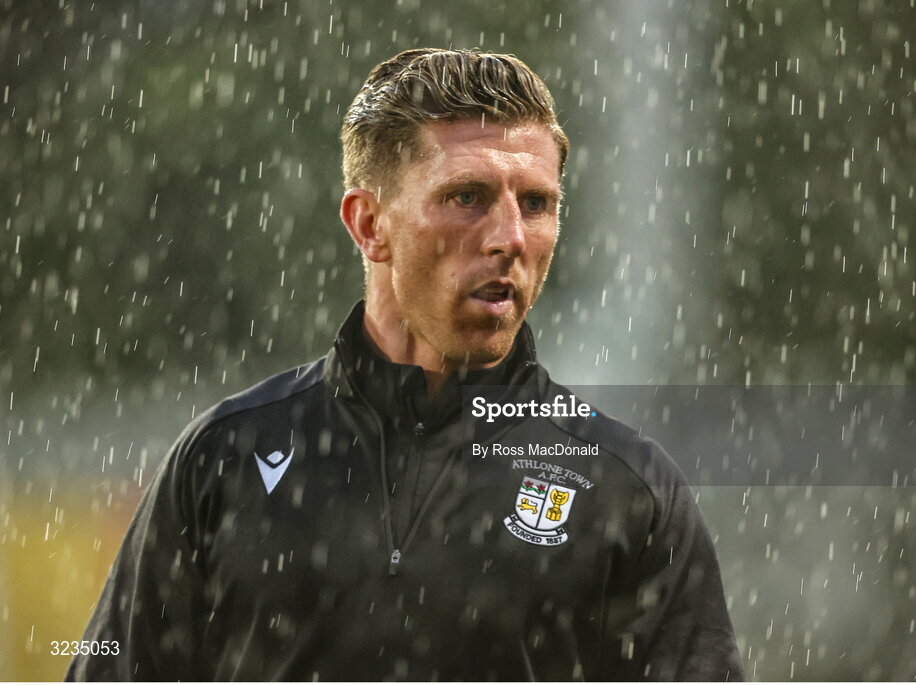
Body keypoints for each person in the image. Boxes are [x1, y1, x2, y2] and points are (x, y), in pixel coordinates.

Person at [68, 48, 743, 681]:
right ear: (368, 224)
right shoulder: (224, 458)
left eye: (535, 203)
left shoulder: (627, 488)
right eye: (467, 196)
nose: (510, 237)